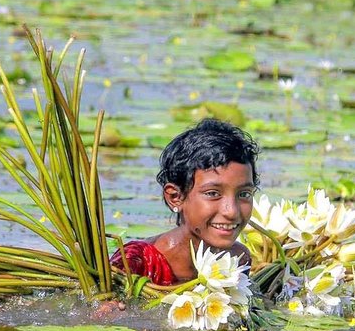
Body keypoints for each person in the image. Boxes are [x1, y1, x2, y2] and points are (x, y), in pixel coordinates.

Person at [109, 118, 260, 286]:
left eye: (244, 194)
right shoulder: (135, 262)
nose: (231, 211)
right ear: (175, 197)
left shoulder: (237, 259)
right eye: (212, 193)